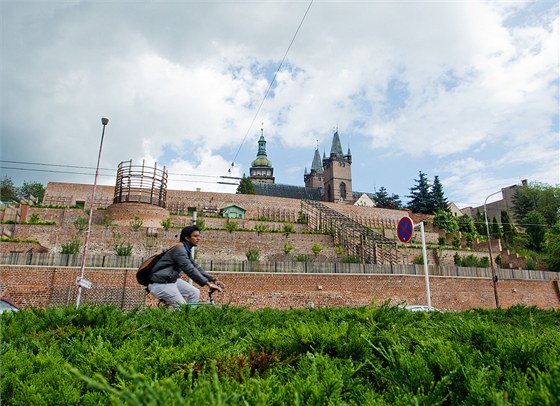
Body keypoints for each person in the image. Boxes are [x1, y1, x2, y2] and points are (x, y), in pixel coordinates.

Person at [148, 225, 224, 309]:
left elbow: (195, 267)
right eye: (195, 236)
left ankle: (190, 317)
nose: (198, 238)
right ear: (187, 238)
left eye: (199, 236)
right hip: (160, 284)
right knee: (182, 308)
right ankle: (184, 316)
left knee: (194, 292)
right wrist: (207, 283)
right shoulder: (179, 250)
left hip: (170, 280)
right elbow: (189, 269)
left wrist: (213, 279)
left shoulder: (185, 250)